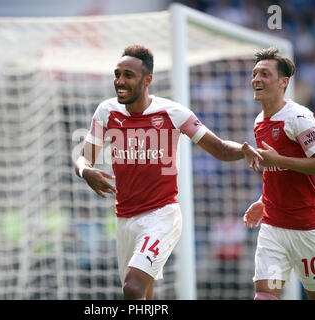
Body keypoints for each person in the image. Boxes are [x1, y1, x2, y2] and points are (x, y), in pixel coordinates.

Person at [75, 45, 261, 300]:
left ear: (147, 80)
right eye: (117, 74)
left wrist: (244, 149)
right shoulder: (107, 112)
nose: (119, 81)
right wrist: (86, 172)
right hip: (124, 219)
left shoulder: (172, 113)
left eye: (128, 75)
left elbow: (219, 149)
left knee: (132, 288)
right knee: (142, 295)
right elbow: (84, 157)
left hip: (161, 216)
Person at [243, 47, 315, 300]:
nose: (256, 79)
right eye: (254, 74)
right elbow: (277, 171)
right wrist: (263, 201)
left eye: (264, 73)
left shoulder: (299, 116)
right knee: (264, 296)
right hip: (273, 227)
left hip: (307, 227)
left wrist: (279, 158)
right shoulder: (259, 121)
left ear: (283, 82)